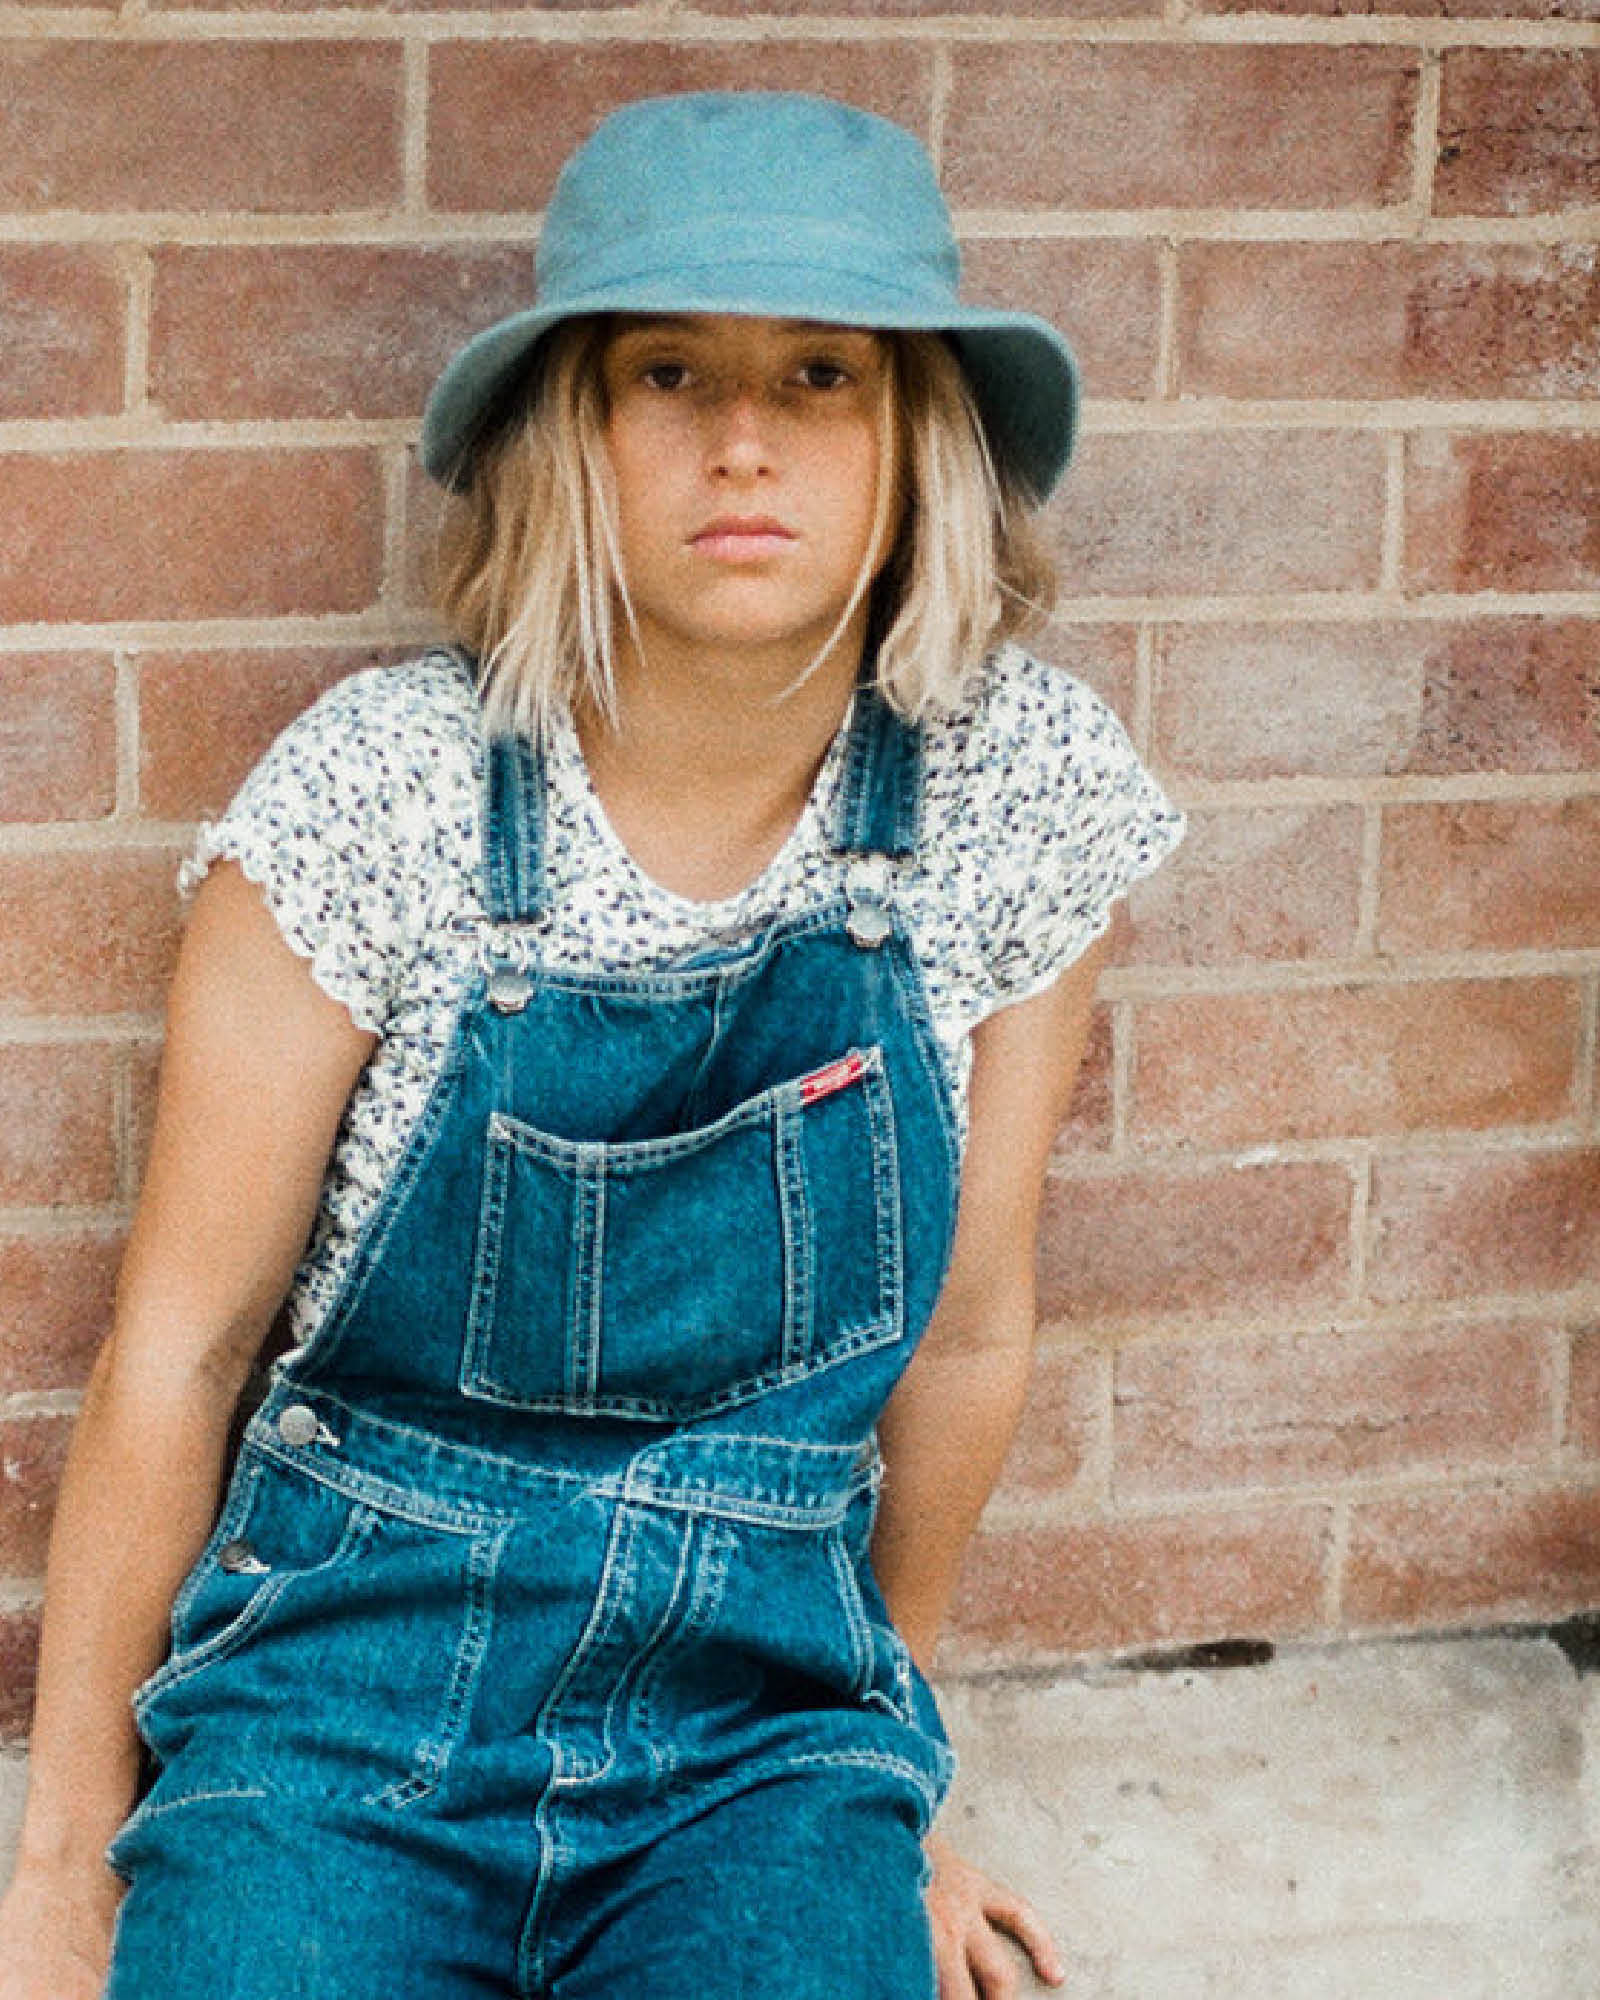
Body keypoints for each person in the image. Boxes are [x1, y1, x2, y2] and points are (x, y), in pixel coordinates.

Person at [0, 91, 1182, 2000]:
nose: (742, 441)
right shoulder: (381, 790)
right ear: (571, 425)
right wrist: (58, 1887)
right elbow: (180, 1348)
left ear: (918, 441)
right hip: (339, 1699)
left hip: (760, 1723)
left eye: (822, 373)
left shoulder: (1021, 791)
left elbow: (968, 1335)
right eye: (665, 373)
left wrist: (901, 1784)